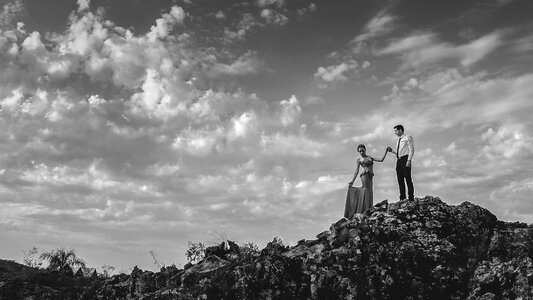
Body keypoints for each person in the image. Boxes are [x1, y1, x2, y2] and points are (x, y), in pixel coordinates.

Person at [344, 144, 388, 219]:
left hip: (370, 177)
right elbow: (356, 171)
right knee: (367, 191)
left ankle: (367, 209)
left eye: (362, 150)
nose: (361, 152)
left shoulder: (370, 157)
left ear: (365, 149)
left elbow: (381, 160)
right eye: (360, 151)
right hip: (365, 176)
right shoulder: (359, 159)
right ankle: (366, 210)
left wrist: (386, 151)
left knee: (369, 191)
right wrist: (352, 181)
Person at [387, 124, 415, 201]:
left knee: (408, 179)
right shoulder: (398, 140)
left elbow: (411, 149)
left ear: (400, 130)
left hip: (405, 159)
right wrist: (392, 151)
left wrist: (409, 160)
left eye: (396, 131)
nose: (395, 132)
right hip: (399, 160)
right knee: (400, 180)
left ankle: (411, 198)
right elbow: (399, 153)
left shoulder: (407, 137)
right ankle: (402, 198)